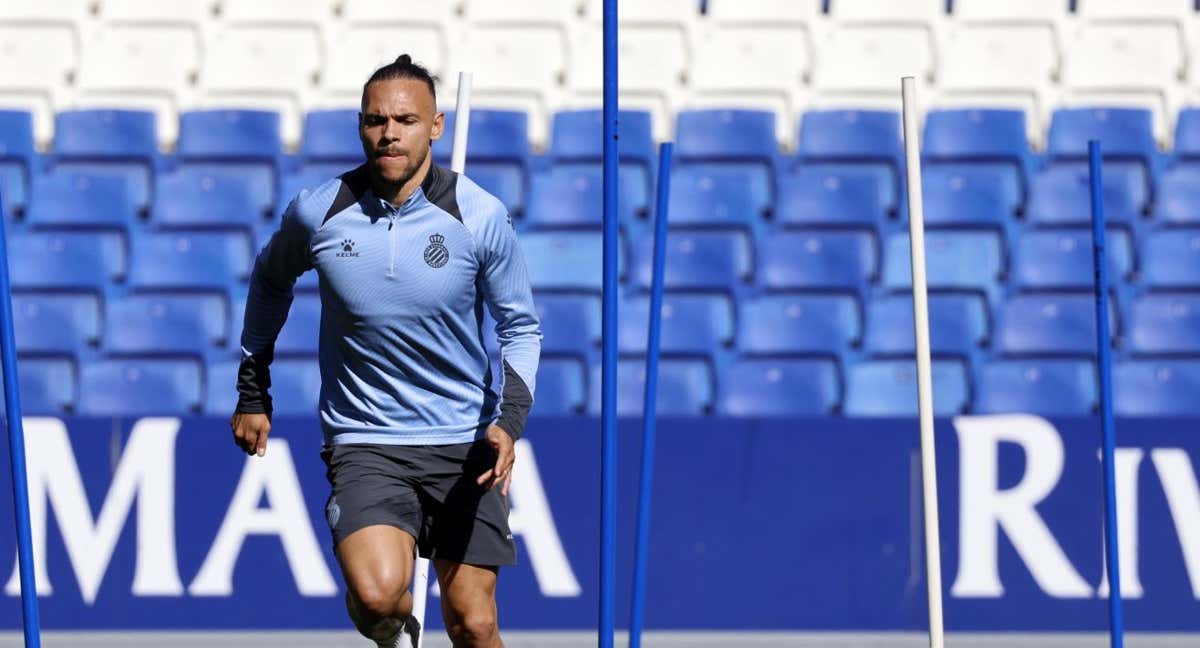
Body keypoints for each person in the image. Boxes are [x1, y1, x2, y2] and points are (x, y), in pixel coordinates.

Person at [228, 54, 541, 648]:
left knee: (473, 623)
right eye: (375, 120)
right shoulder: (319, 211)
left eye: (405, 119)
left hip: (463, 440)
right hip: (367, 440)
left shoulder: (479, 215)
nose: (389, 133)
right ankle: (395, 631)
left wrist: (510, 423)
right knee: (378, 599)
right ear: (360, 125)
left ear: (435, 126)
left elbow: (520, 327)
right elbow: (270, 280)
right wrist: (252, 390)